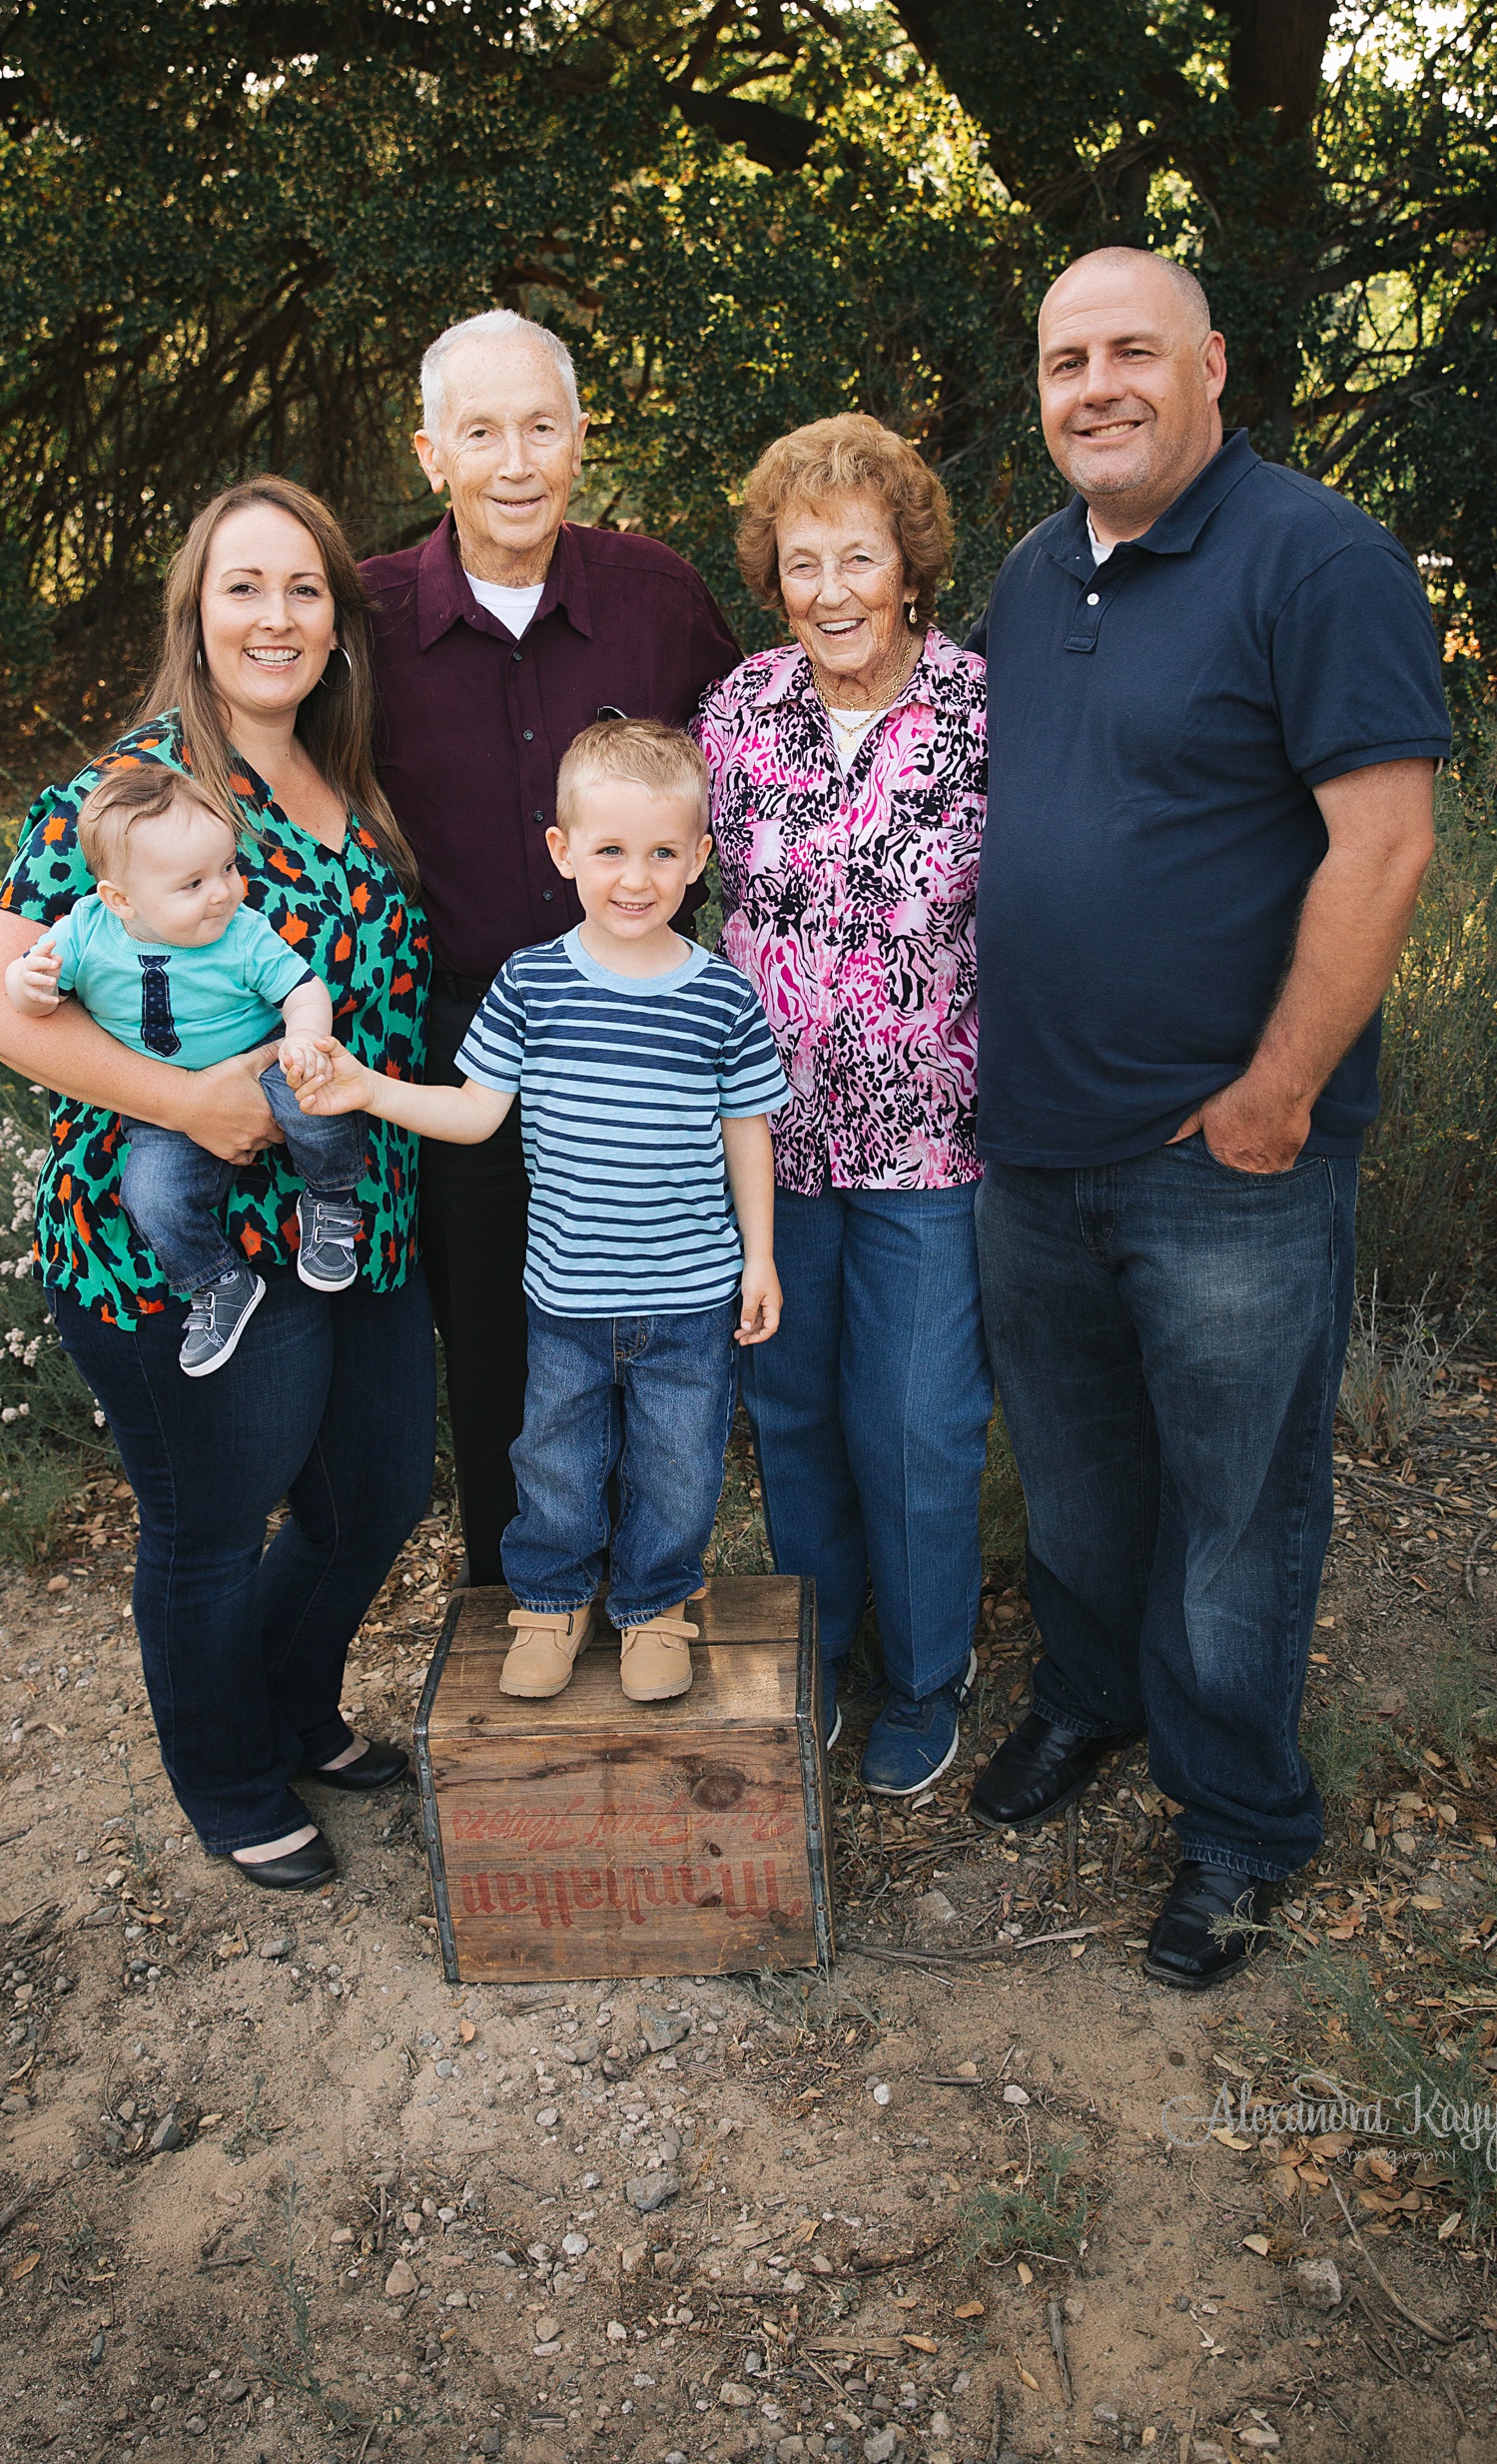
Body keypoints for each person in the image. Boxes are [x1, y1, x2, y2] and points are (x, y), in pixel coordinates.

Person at [964, 249, 1449, 1988]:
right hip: (1029, 1141)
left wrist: (1275, 1094)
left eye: (1127, 353)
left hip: (1224, 1158)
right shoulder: (1027, 578)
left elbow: (1379, 844)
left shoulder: (1313, 556)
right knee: (1081, 1480)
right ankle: (1089, 1701)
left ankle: (1238, 1814)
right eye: (1060, 359)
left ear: (1211, 367)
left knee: (1237, 1507)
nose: (1091, 385)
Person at [0, 476, 436, 1894]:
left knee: (373, 1500)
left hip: (359, 1214)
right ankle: (231, 1780)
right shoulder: (132, 794)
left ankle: (293, 1710)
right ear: (196, 614)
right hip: (177, 1232)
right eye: (244, 587)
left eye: (304, 589)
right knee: (213, 1526)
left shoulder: (348, 779)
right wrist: (199, 1105)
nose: (275, 616)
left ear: (341, 622)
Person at [286, 719, 788, 1704]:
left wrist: (759, 1259)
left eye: (659, 853)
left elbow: (745, 1134)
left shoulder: (720, 998)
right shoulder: (530, 985)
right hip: (564, 1296)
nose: (633, 878)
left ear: (699, 859)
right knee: (553, 1458)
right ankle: (551, 1601)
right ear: (562, 853)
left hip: (688, 1298)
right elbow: (474, 1115)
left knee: (677, 1468)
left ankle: (651, 1606)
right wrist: (366, 1088)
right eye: (608, 851)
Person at [363, 309, 739, 1588]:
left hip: (646, 1029)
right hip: (466, 1027)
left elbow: (749, 774)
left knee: (656, 1340)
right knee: (493, 1344)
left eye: (540, 426)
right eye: (481, 432)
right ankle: (520, 1601)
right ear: (432, 456)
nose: (514, 460)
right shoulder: (363, 619)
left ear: (580, 437)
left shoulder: (656, 595)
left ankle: (653, 1590)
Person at [697, 414, 991, 1799]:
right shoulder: (737, 710)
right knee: (795, 1408)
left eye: (857, 557)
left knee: (918, 1416)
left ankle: (930, 1671)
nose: (831, 589)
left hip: (935, 1129)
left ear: (908, 565)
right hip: (771, 1131)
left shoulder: (984, 710)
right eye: (802, 560)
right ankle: (820, 1648)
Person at [3, 761, 378, 1376]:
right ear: (121, 900)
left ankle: (333, 1200)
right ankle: (219, 1282)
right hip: (163, 1108)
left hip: (265, 1062)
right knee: (150, 1196)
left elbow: (304, 988)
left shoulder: (241, 933)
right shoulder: (84, 933)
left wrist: (306, 1039)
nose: (225, 892)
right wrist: (29, 985)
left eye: (228, 868)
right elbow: (21, 992)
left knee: (320, 1098)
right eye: (193, 883)